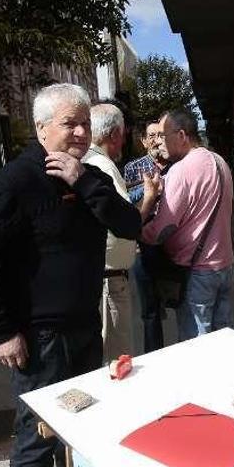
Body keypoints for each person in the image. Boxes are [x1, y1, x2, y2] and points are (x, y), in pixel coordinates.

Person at [0, 83, 143, 467]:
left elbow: (130, 223)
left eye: (85, 124)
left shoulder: (88, 176)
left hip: (85, 327)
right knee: (37, 436)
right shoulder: (14, 184)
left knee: (79, 426)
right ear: (41, 129)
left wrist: (84, 183)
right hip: (40, 340)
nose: (81, 133)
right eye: (69, 124)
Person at [140, 109, 234, 341]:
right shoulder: (219, 161)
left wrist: (139, 230)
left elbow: (162, 229)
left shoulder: (180, 171)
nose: (159, 142)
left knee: (197, 346)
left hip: (197, 273)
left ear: (181, 135)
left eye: (163, 135)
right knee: (224, 340)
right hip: (225, 266)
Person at [82, 103, 137, 360]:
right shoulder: (101, 167)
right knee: (116, 358)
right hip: (108, 282)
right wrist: (149, 198)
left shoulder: (96, 163)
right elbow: (123, 224)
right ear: (114, 134)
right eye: (124, 135)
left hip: (108, 279)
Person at [124, 121, 171, 352]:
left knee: (180, 301)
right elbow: (127, 202)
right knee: (150, 310)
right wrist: (150, 189)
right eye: (151, 136)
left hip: (173, 244)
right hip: (144, 244)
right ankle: (154, 355)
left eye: (160, 135)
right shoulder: (133, 167)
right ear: (143, 141)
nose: (156, 140)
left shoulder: (176, 164)